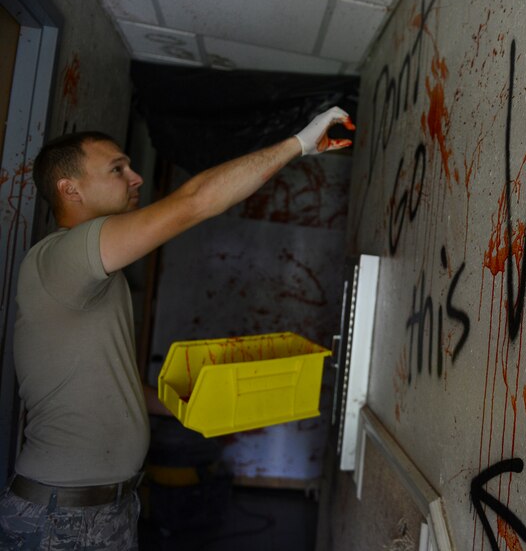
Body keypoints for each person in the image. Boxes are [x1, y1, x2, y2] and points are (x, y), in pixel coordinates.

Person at [0, 107, 354, 549]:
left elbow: (114, 384)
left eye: (130, 166)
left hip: (106, 507)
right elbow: (192, 203)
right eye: (117, 169)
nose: (136, 178)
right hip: (61, 514)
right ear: (69, 188)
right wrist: (297, 145)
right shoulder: (61, 257)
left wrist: (195, 405)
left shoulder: (98, 278)